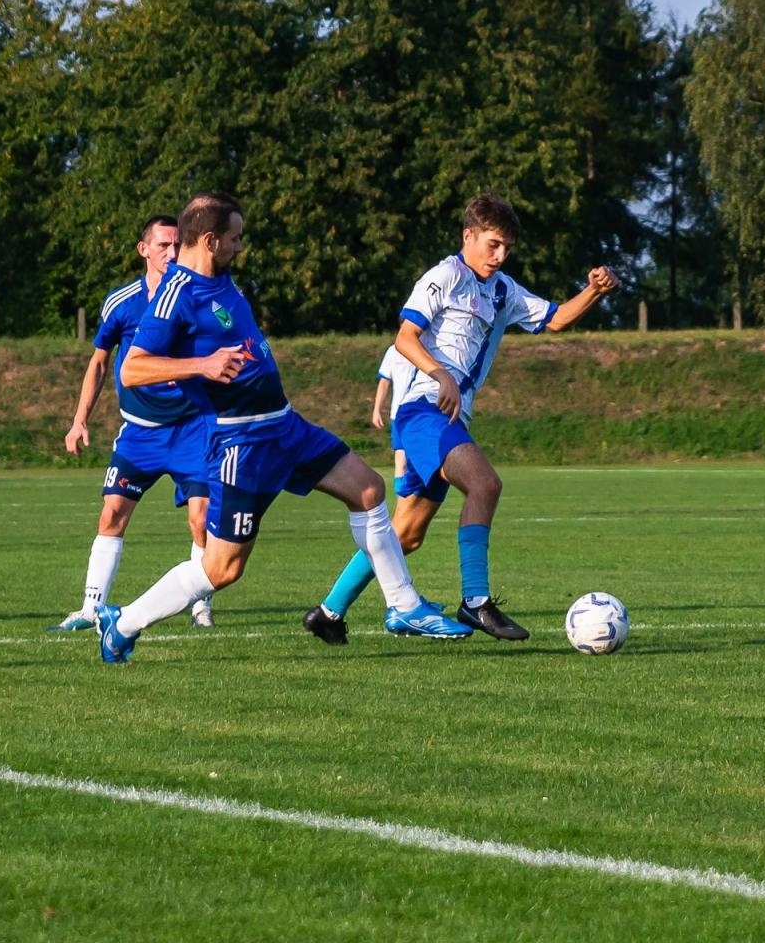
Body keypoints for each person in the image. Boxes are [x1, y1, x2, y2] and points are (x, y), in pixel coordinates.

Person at [94, 191, 473, 663]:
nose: (240, 246)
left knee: (369, 490)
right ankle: (122, 623)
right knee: (222, 569)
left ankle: (404, 606)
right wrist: (202, 365)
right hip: (241, 444)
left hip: (285, 427)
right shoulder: (176, 295)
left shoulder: (222, 278)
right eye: (234, 238)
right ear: (209, 241)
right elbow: (133, 368)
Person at [303, 193, 617, 643]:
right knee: (485, 484)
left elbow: (556, 319)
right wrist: (440, 375)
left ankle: (328, 613)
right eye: (493, 244)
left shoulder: (504, 290)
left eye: (507, 247)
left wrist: (595, 291)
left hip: (447, 418)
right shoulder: (445, 276)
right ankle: (476, 601)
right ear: (468, 236)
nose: (500, 255)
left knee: (405, 533)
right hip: (423, 412)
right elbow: (405, 337)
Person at [48, 215, 216, 632]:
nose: (171, 253)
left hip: (193, 429)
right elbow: (99, 363)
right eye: (163, 245)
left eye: (177, 245)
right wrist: (79, 420)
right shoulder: (122, 303)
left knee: (201, 520)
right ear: (144, 250)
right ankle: (90, 609)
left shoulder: (198, 297)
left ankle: (200, 605)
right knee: (112, 513)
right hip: (140, 432)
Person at [371, 344, 410, 481]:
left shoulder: (430, 346)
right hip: (400, 413)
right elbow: (384, 382)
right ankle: (401, 493)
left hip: (425, 412)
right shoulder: (393, 351)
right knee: (401, 460)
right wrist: (377, 410)